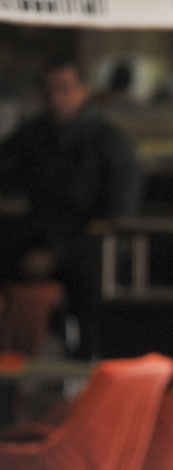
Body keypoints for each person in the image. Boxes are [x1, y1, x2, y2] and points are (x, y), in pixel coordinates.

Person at [0, 57, 142, 358]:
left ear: (83, 90)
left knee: (88, 286)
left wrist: (56, 254)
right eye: (49, 90)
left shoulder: (108, 139)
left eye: (65, 89)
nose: (56, 98)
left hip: (91, 249)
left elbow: (118, 210)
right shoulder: (30, 135)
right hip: (36, 242)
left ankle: (83, 366)